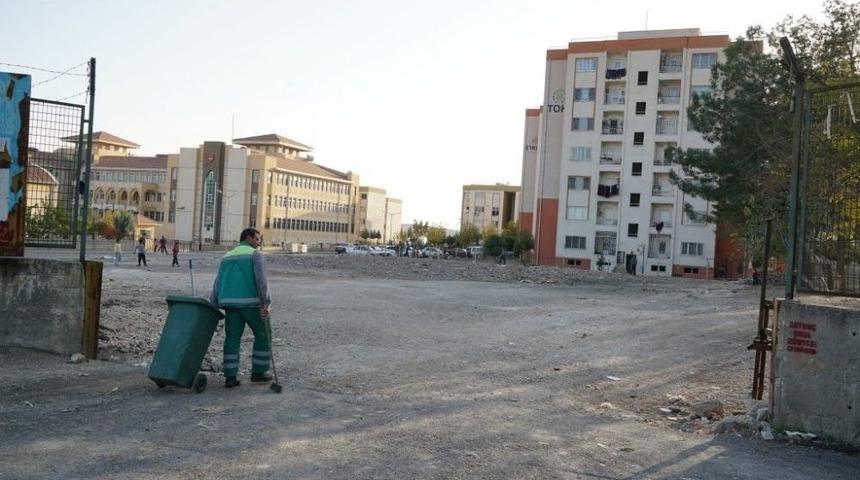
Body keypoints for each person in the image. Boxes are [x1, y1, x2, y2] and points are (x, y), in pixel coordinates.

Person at [210, 228, 273, 388]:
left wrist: (214, 303)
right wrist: (266, 302)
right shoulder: (255, 255)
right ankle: (258, 372)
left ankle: (230, 377)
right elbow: (261, 280)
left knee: (232, 338)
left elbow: (218, 282)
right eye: (257, 239)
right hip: (252, 304)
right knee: (263, 334)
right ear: (248, 237)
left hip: (230, 305)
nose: (259, 243)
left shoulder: (226, 256)